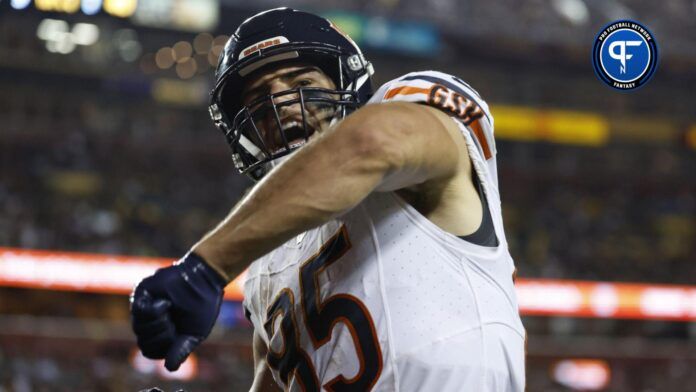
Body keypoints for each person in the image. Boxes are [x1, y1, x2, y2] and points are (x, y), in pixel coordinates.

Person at [130, 7, 526, 391]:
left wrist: (207, 267)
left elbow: (373, 143)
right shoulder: (266, 262)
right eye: (258, 102)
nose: (282, 106)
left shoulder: (410, 115)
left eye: (302, 84)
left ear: (346, 84)